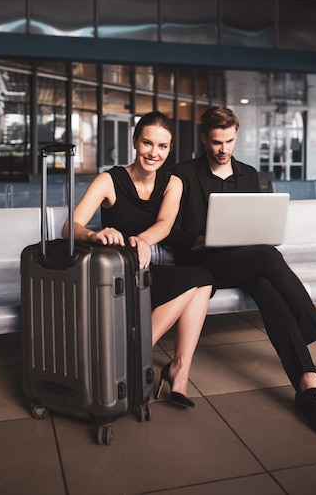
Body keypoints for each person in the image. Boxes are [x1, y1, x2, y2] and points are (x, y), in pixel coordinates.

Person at [167, 105, 316, 437]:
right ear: (205, 138)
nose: (224, 150)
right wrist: (202, 238)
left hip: (247, 261)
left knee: (267, 287)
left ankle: (309, 387)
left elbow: (257, 222)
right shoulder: (183, 173)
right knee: (266, 256)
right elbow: (171, 231)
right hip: (203, 267)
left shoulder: (248, 175)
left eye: (230, 141)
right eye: (217, 142)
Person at [62, 111, 214, 409]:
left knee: (203, 279)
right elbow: (70, 227)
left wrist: (143, 240)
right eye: (147, 143)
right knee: (198, 281)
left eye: (162, 147)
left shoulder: (173, 183)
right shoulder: (109, 179)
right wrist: (95, 235)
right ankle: (140, 360)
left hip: (144, 270)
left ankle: (177, 371)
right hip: (114, 277)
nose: (153, 153)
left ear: (169, 150)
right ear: (135, 142)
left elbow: (165, 225)